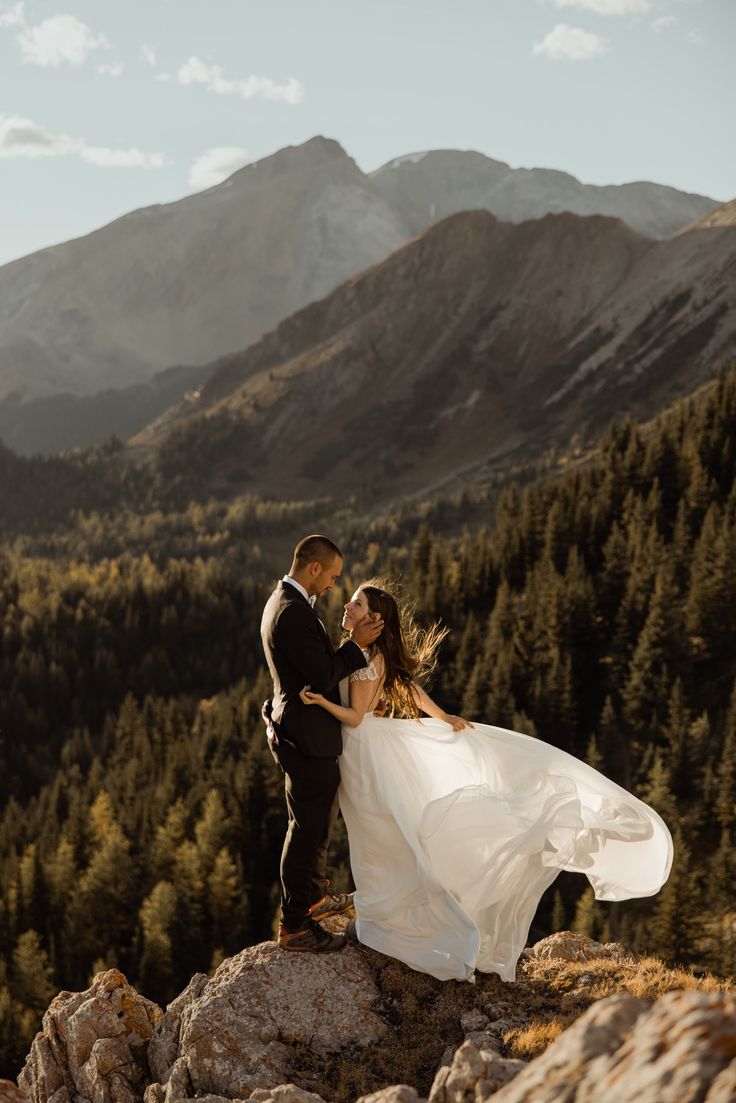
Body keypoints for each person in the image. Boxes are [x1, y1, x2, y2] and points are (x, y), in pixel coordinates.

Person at [300, 579, 674, 982]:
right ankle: (385, 913)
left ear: (374, 619)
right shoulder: (367, 653)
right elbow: (404, 685)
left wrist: (321, 702)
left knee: (379, 835)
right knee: (386, 834)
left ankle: (392, 921)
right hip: (369, 748)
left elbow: (355, 716)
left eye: (356, 603)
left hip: (363, 752)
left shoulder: (364, 655)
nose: (347, 606)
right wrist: (441, 716)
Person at [260, 535, 384, 953]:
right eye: (331, 576)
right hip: (305, 737)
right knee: (305, 830)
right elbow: (323, 673)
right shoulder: (292, 612)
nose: (333, 584)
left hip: (303, 732)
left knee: (314, 826)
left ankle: (312, 899)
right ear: (314, 568)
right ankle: (295, 925)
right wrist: (359, 646)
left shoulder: (284, 602)